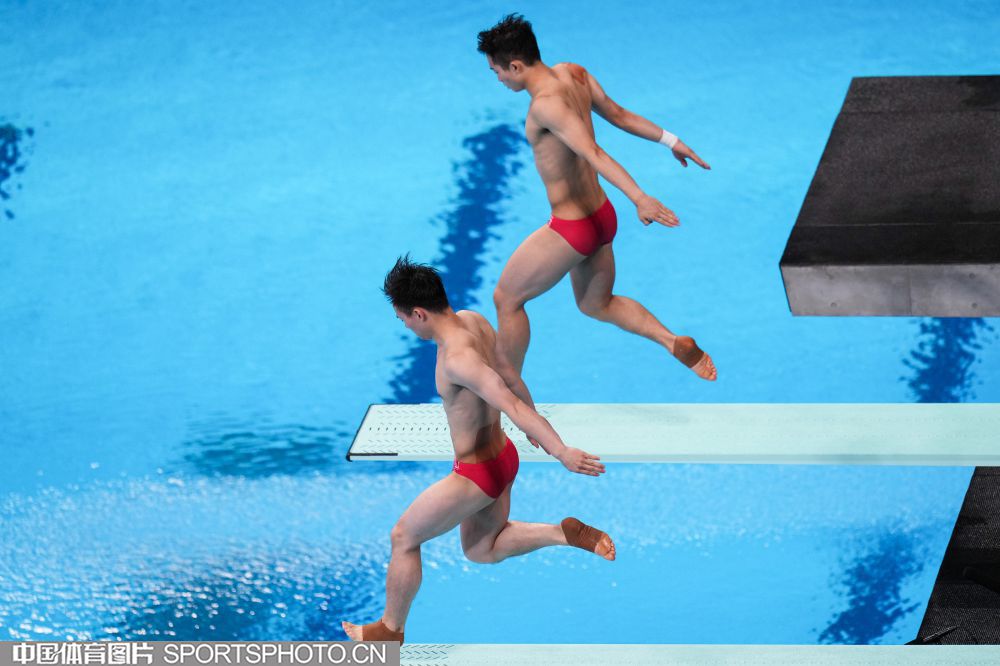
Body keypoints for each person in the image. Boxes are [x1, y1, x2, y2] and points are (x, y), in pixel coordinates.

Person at [342, 256, 616, 645]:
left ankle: (389, 630)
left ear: (419, 313)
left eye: (402, 318)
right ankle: (562, 533)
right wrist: (536, 424)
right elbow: (511, 377)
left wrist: (561, 450)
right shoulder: (475, 321)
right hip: (504, 457)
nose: (405, 326)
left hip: (476, 475)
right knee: (481, 549)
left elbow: (510, 403)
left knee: (404, 537)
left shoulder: (457, 359)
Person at [477, 14, 717, 405]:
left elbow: (593, 152)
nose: (498, 79)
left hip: (572, 228)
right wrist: (670, 140)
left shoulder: (544, 107)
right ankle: (671, 341)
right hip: (602, 217)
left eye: (497, 71)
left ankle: (507, 392)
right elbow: (620, 115)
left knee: (507, 299)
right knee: (595, 304)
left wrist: (640, 197)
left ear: (515, 66)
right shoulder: (574, 73)